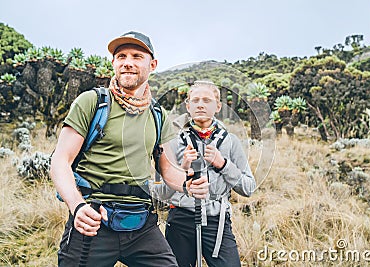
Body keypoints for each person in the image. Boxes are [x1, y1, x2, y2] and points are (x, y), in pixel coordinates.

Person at [50, 31, 209, 267]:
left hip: (142, 223)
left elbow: (168, 170)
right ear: (113, 63)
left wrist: (187, 184)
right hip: (94, 217)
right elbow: (60, 161)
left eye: (137, 56)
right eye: (121, 56)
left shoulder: (158, 116)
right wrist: (77, 206)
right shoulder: (92, 102)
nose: (128, 62)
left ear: (152, 64)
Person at [155, 80, 256, 267]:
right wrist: (182, 171)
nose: (200, 104)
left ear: (218, 106)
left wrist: (223, 164)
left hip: (217, 223)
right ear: (188, 106)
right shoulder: (173, 142)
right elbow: (159, 194)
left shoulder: (231, 142)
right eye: (195, 100)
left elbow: (249, 188)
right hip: (179, 223)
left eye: (207, 100)